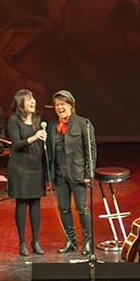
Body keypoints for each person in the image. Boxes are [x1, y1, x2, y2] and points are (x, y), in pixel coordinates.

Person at [46, 90, 97, 256]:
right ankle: (70, 240)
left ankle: (88, 242)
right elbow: (51, 153)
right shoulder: (53, 126)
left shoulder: (83, 123)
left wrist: (89, 174)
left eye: (63, 104)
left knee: (82, 208)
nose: (60, 107)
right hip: (60, 175)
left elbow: (91, 150)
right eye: (57, 105)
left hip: (78, 173)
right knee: (64, 209)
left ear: (71, 105)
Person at [7, 89, 47, 256]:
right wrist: (34, 137)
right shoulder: (14, 120)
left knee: (36, 203)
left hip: (36, 165)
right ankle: (22, 242)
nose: (32, 102)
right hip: (20, 167)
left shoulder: (39, 119)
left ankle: (36, 241)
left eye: (33, 99)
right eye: (28, 100)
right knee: (22, 203)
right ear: (20, 104)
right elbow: (15, 144)